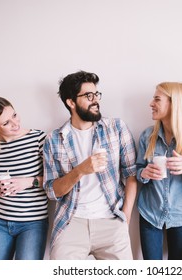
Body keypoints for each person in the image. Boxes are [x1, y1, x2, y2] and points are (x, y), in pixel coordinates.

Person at [43, 70, 137, 260]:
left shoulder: (116, 128)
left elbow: (131, 176)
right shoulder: (54, 139)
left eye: (96, 94)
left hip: (111, 219)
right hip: (71, 222)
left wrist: (124, 219)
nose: (95, 100)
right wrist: (79, 170)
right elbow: (52, 191)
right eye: (88, 96)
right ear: (71, 102)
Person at [136, 82, 182, 260]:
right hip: (150, 214)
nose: (151, 104)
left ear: (174, 103)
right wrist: (143, 174)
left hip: (180, 215)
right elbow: (137, 171)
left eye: (157, 99)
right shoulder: (147, 136)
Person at [0, 95, 49, 260]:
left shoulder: (38, 139)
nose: (15, 123)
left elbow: (56, 181)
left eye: (14, 115)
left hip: (33, 223)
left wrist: (29, 182)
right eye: (6, 123)